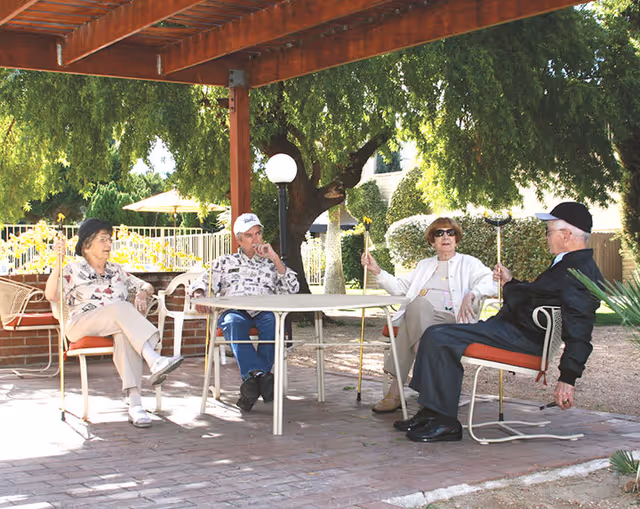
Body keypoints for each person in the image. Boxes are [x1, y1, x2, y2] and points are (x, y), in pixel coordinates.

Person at [396, 202, 602, 442]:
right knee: (435, 333)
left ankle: (445, 421)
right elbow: (539, 293)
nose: (546, 237)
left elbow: (580, 329)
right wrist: (511, 281)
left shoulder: (579, 271)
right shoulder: (569, 263)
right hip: (513, 330)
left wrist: (568, 378)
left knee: (439, 336)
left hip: (520, 338)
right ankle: (431, 412)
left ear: (566, 235)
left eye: (548, 231)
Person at [45, 218, 184, 428]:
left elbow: (146, 285)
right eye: (103, 240)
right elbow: (51, 294)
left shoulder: (116, 270)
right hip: (81, 323)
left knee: (125, 334)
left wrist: (142, 293)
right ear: (86, 244)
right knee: (121, 308)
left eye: (109, 239)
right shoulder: (72, 269)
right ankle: (153, 358)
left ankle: (135, 404)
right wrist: (57, 261)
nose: (109, 244)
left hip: (115, 322)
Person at [361, 217, 496, 413]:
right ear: (432, 241)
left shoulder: (469, 263)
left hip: (450, 319)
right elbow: (400, 288)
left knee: (411, 315)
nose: (445, 237)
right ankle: (425, 377)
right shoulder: (424, 265)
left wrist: (472, 293)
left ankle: (395, 392)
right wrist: (377, 270)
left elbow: (489, 281)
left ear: (457, 239)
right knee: (416, 305)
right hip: (420, 317)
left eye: (450, 233)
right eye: (439, 233)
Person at [190, 213, 299, 411]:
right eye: (249, 235)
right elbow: (201, 283)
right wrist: (198, 294)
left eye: (258, 233)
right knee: (232, 322)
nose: (256, 239)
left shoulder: (272, 263)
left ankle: (251, 383)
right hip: (235, 310)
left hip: (265, 311)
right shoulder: (224, 262)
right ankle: (261, 377)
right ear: (238, 240)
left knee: (274, 323)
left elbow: (292, 289)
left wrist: (275, 258)